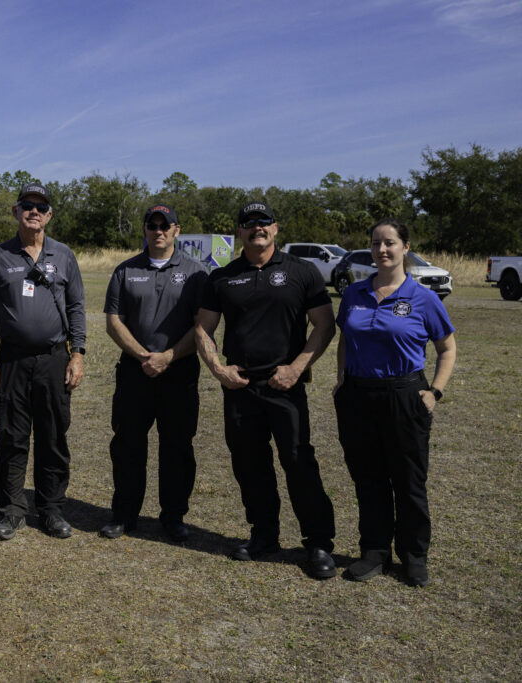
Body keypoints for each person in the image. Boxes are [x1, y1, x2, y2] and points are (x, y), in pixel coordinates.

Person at [194, 201, 337, 579]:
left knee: (298, 462)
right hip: (239, 386)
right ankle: (264, 536)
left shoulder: (301, 272)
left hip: (285, 386)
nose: (256, 227)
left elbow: (324, 326)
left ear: (276, 228)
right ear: (239, 231)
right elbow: (202, 328)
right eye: (248, 223)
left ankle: (319, 544)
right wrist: (218, 369)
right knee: (249, 465)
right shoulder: (222, 277)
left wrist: (296, 369)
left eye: (263, 222)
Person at [334, 219, 456, 587]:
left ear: (405, 247)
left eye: (389, 243)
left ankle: (414, 556)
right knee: (367, 477)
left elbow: (447, 348)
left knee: (408, 478)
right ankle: (374, 552)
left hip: (404, 396)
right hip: (358, 396)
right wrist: (341, 382)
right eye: (375, 244)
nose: (382, 250)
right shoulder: (354, 293)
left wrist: (434, 391)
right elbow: (344, 340)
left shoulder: (423, 298)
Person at [0, 182, 86, 541]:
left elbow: (76, 307)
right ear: (16, 211)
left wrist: (78, 354)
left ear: (49, 214)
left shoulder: (64, 255)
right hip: (11, 361)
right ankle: (11, 510)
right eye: (27, 205)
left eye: (41, 207)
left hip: (54, 360)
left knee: (53, 436)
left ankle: (51, 509)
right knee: (12, 436)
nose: (34, 212)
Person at [101, 205, 208, 542]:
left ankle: (173, 517)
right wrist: (144, 356)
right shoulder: (126, 270)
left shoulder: (196, 273)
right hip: (135, 372)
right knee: (128, 444)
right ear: (145, 229)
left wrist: (168, 357)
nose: (158, 230)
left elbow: (203, 326)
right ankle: (124, 514)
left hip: (179, 372)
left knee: (177, 447)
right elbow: (113, 321)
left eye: (165, 225)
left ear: (177, 229)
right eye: (152, 224)